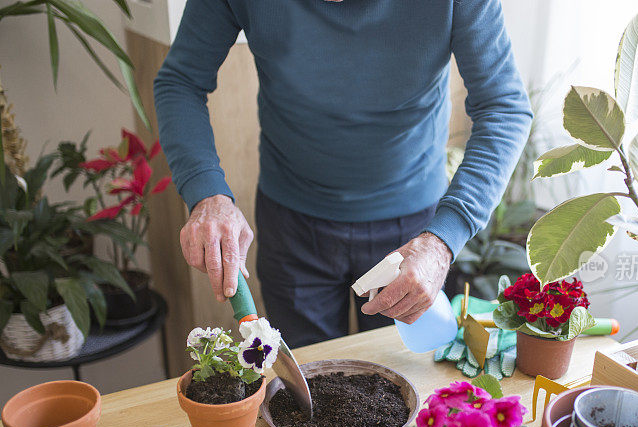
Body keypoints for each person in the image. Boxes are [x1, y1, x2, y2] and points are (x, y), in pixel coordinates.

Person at [154, 0, 532, 348]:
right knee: (305, 394)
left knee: (406, 390)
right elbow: (181, 81)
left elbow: (504, 106)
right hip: (292, 228)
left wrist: (443, 239)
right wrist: (206, 193)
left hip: (416, 233)